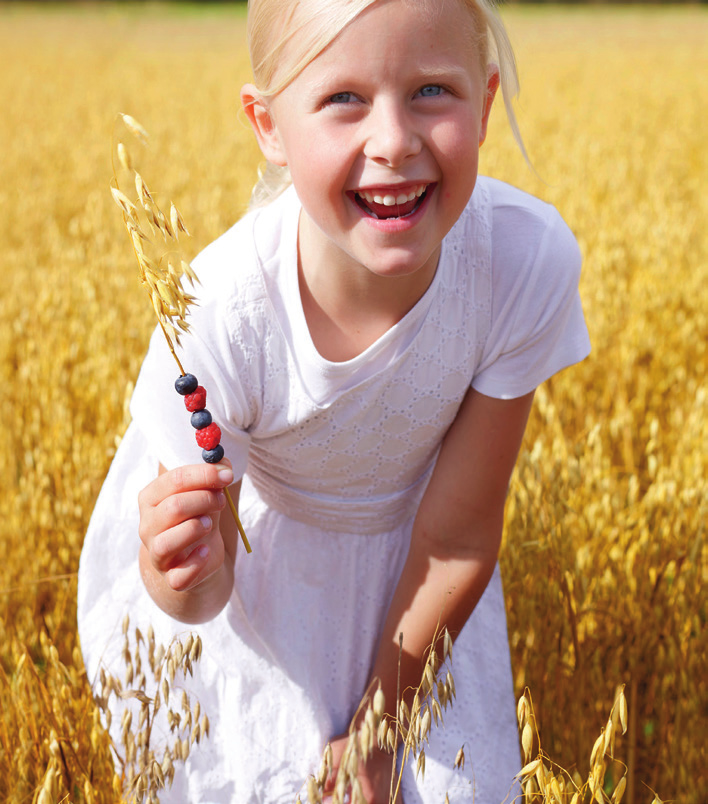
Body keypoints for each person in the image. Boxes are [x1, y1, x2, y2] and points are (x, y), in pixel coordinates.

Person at [78, 0, 591, 801]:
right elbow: (204, 596)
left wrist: (382, 731)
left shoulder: (521, 263)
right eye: (343, 99)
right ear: (269, 125)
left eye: (431, 91)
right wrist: (181, 570)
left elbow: (457, 535)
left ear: (485, 102)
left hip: (425, 603)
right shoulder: (220, 316)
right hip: (261, 605)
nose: (392, 140)